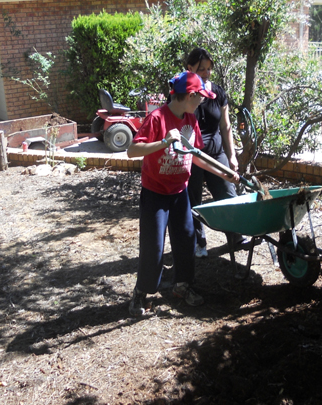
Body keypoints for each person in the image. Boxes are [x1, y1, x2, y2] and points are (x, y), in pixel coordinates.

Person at [126, 71, 238, 316]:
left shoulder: (191, 120)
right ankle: (141, 293)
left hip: (179, 192)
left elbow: (196, 156)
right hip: (155, 193)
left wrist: (223, 172)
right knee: (153, 247)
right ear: (189, 95)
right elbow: (132, 150)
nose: (203, 101)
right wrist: (164, 143)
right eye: (200, 97)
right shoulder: (157, 118)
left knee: (186, 240)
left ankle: (182, 286)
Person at [184, 48, 251, 257]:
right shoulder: (184, 92)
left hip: (215, 154)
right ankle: (198, 242)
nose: (206, 73)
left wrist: (231, 156)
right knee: (194, 202)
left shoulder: (219, 93)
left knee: (227, 195)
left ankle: (236, 235)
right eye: (201, 69)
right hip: (192, 156)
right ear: (189, 69)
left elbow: (225, 126)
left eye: (209, 69)